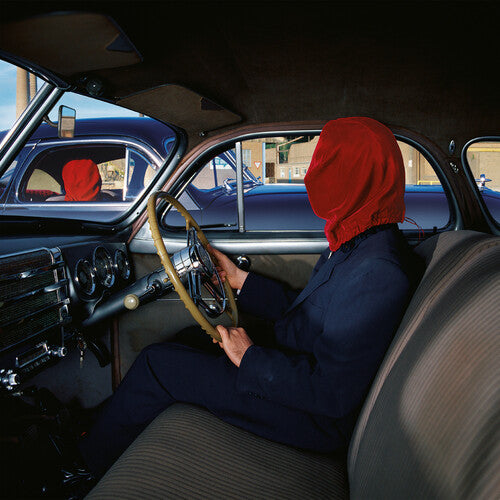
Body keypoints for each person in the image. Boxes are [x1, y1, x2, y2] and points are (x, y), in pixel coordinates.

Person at [78, 117, 424, 478]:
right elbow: (311, 311)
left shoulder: (378, 270)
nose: (314, 176)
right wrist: (240, 280)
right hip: (296, 367)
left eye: (329, 165)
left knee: (158, 364)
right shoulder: (357, 240)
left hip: (311, 416)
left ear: (359, 175)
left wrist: (250, 358)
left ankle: (83, 465)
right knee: (189, 339)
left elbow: (331, 393)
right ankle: (99, 425)